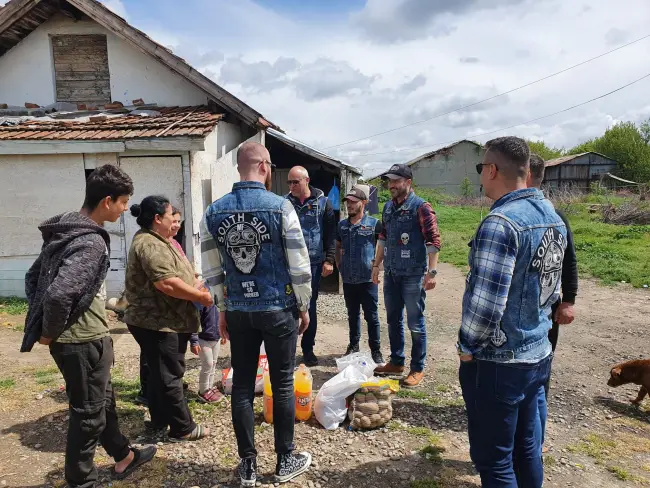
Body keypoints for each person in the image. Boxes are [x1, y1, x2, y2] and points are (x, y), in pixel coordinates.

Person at [21, 165, 156, 487]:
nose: (125, 209)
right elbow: (58, 294)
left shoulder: (65, 230)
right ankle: (81, 480)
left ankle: (122, 454)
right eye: (123, 202)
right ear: (107, 200)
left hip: (82, 339)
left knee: (103, 402)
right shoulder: (90, 242)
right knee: (88, 414)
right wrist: (51, 330)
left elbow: (32, 278)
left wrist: (49, 326)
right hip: (83, 342)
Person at [457, 137, 567, 488]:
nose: (481, 177)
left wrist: (467, 347)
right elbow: (552, 290)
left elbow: (488, 306)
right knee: (527, 450)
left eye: (480, 169)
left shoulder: (501, 222)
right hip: (538, 352)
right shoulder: (552, 217)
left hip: (501, 361)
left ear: (491, 169)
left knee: (495, 461)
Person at [202, 142, 313, 487]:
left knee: (242, 386)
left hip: (238, 309)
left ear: (240, 168)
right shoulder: (281, 207)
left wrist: (221, 307)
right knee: (280, 383)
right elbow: (299, 262)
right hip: (277, 307)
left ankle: (247, 465)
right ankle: (285, 459)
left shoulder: (213, 212)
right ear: (264, 167)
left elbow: (212, 269)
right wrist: (304, 305)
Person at [124, 195, 213, 442]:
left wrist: (192, 281)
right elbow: (166, 283)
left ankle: (160, 419)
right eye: (169, 216)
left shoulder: (158, 240)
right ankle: (182, 427)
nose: (174, 222)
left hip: (161, 320)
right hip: (159, 322)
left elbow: (174, 276)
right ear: (157, 218)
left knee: (158, 372)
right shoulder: (150, 244)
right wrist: (200, 296)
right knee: (170, 375)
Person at [372, 163, 441, 388]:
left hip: (412, 275)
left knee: (415, 323)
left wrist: (431, 272)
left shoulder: (421, 207)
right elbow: (382, 237)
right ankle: (396, 361)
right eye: (389, 181)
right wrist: (376, 265)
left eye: (395, 181)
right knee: (393, 320)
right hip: (392, 273)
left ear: (408, 182)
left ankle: (417, 368)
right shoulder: (388, 208)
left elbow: (433, 239)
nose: (391, 185)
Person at [528, 153, 578, 455]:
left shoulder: (555, 216)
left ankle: (536, 439)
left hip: (547, 304)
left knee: (540, 372)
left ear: (528, 176)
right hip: (523, 308)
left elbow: (569, 263)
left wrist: (568, 301)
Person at [285, 165, 337, 366]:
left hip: (313, 264)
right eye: (289, 182)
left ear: (306, 180)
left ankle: (308, 349)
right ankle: (288, 350)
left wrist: (329, 259)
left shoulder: (324, 203)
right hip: (289, 263)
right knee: (288, 307)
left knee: (308, 305)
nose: (291, 186)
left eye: (295, 182)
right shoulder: (284, 204)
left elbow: (330, 234)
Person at [335, 184, 385, 365]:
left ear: (363, 203)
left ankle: (376, 350)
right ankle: (353, 345)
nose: (349, 205)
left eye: (353, 202)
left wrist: (377, 266)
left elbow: (382, 247)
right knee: (352, 314)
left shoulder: (374, 225)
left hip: (367, 279)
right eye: (348, 202)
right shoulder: (342, 226)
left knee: (371, 316)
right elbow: (338, 246)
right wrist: (339, 264)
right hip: (348, 279)